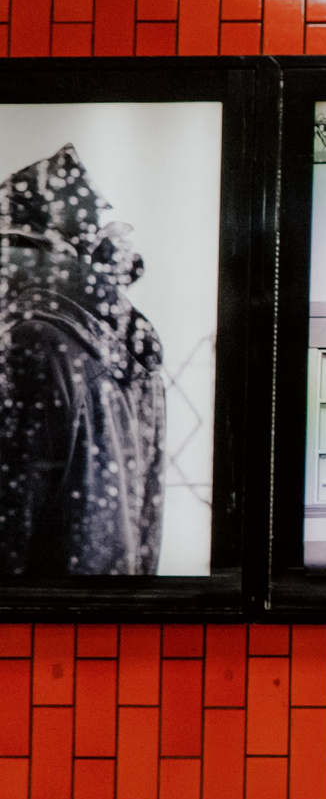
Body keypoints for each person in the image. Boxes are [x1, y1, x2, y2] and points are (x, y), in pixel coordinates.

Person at [0, 147, 165, 576]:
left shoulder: (34, 343)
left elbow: (10, 522)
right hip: (108, 608)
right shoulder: (126, 347)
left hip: (40, 618)